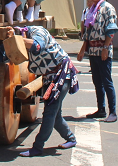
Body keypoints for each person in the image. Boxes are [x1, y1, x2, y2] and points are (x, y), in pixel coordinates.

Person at [12, 25, 79, 157]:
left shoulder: (38, 31)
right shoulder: (25, 38)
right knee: (55, 115)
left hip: (61, 74)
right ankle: (71, 138)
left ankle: (37, 147)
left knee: (49, 112)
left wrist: (16, 40)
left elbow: (37, 46)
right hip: (50, 77)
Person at [77, 0, 118, 122]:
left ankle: (113, 112)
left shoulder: (108, 8)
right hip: (93, 50)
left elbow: (111, 30)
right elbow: (87, 33)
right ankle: (101, 109)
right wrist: (83, 50)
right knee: (97, 81)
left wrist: (106, 48)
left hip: (102, 49)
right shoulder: (91, 9)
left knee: (107, 81)